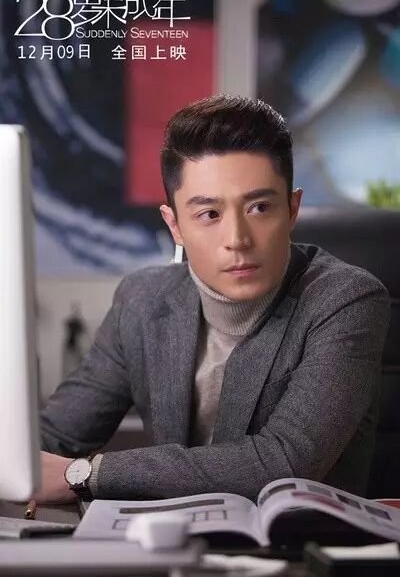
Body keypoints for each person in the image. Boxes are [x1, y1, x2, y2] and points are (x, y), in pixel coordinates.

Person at [38, 94, 390, 503]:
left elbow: (284, 461)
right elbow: (53, 436)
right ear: (175, 225)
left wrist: (86, 474)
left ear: (292, 209)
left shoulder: (346, 299)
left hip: (300, 540)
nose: (237, 239)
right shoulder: (141, 301)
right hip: (172, 538)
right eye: (209, 214)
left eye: (259, 207)